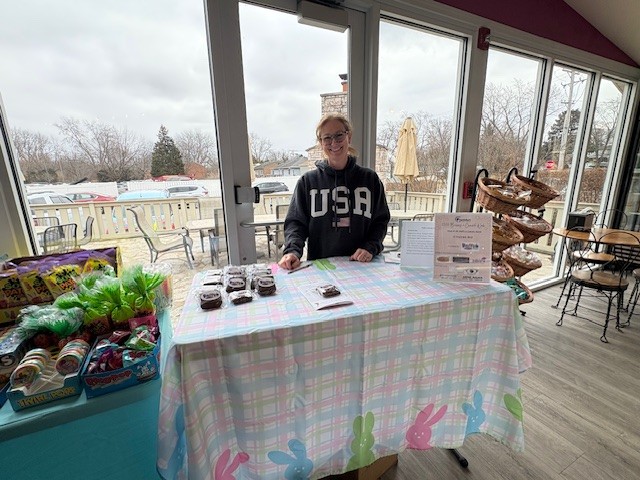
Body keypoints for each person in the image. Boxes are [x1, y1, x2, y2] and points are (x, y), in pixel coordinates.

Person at [278, 114, 390, 270]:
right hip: (321, 267)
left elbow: (380, 221)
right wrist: (292, 251)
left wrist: (370, 246)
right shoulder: (307, 182)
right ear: (321, 143)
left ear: (349, 136)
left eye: (339, 135)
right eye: (327, 138)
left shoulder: (370, 179)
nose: (334, 142)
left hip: (363, 265)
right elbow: (296, 223)